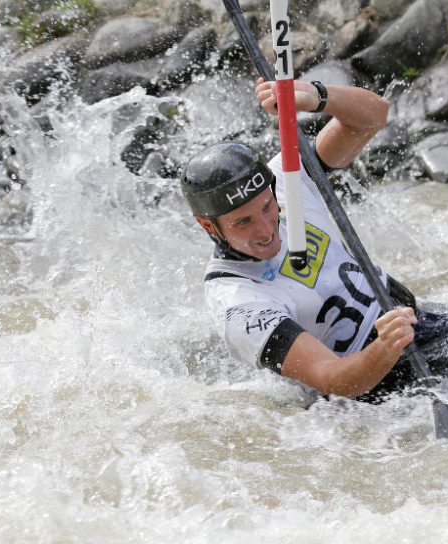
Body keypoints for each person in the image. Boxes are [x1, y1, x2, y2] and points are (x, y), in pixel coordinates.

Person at [181, 77, 423, 401]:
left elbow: (374, 116)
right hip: (375, 391)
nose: (266, 229)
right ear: (209, 227)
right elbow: (333, 380)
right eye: (243, 222)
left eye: (267, 207)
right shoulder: (239, 304)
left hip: (416, 329)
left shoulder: (288, 179)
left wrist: (317, 98)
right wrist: (386, 346)